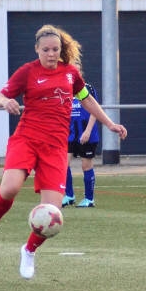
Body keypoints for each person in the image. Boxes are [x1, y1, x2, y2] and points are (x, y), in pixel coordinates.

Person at [0, 25, 128, 279]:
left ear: (61, 49)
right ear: (37, 50)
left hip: (55, 147)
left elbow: (87, 99)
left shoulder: (70, 74)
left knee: (52, 213)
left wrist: (109, 123)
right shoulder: (28, 72)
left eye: (55, 49)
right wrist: (6, 102)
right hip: (27, 139)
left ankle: (29, 251)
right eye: (46, 50)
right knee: (9, 187)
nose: (51, 54)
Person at [62, 60, 99, 208]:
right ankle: (69, 195)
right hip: (70, 134)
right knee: (63, 164)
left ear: (80, 73)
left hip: (86, 133)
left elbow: (95, 111)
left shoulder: (87, 88)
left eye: (76, 71)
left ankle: (89, 199)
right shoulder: (64, 89)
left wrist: (88, 131)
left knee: (86, 165)